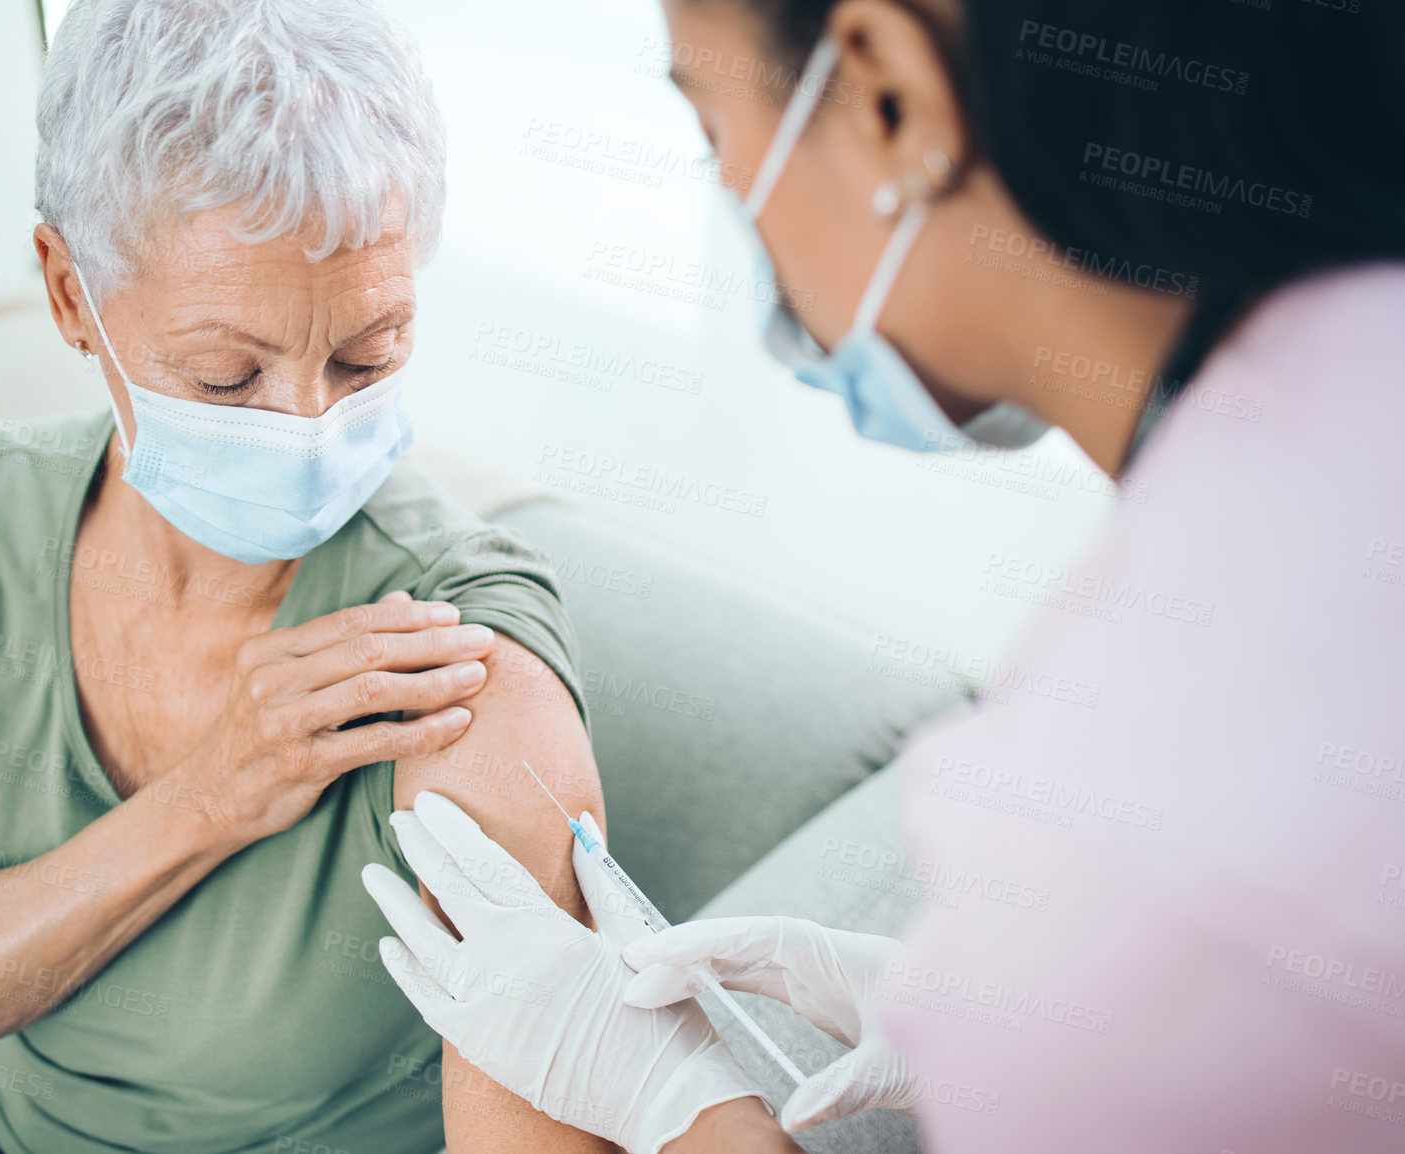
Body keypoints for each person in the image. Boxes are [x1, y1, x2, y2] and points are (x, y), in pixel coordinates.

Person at [365, 0, 1405, 1151]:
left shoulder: (1125, 816)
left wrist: (680, 1106)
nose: (736, 205)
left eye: (716, 137)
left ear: (887, 94)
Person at [0, 1, 630, 1152]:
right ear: (66, 294)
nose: (306, 423)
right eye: (227, 375)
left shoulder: (455, 656)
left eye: (366, 353)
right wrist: (207, 798)